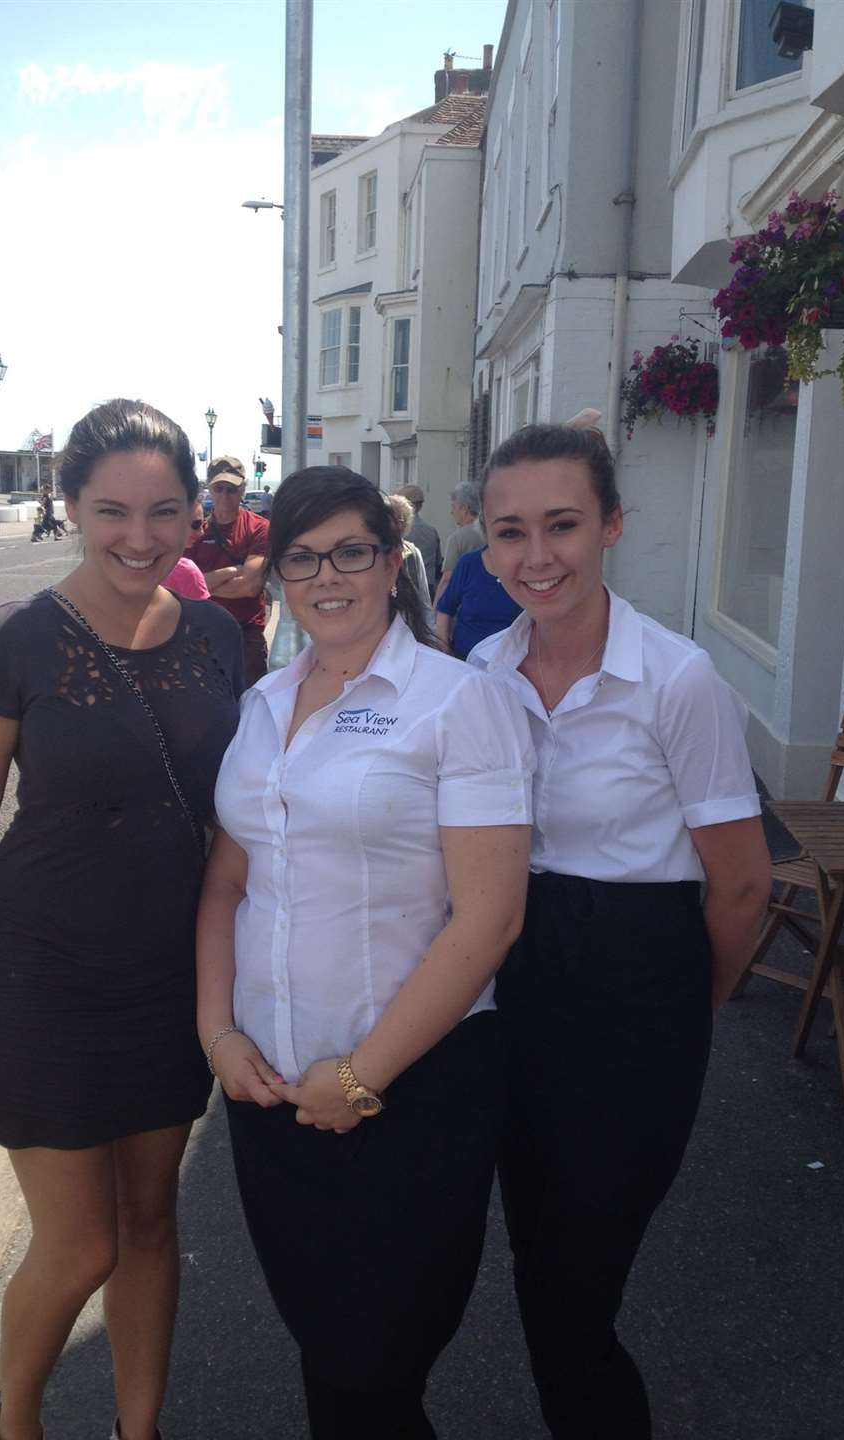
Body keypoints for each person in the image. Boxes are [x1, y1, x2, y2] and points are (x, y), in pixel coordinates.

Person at [0, 399, 243, 1440]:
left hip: (168, 978)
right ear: (69, 506)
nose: (140, 537)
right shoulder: (9, 642)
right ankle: (20, 1421)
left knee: (150, 1223)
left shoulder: (226, 638)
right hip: (37, 977)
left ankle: (139, 1431)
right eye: (112, 511)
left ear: (195, 514)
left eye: (165, 511)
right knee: (82, 1245)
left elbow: (248, 812)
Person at [197, 466, 533, 1440]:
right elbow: (226, 881)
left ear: (391, 562)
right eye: (301, 557)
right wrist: (216, 1033)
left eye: (350, 550)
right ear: (279, 575)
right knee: (327, 1352)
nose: (326, 575)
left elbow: (489, 919)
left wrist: (360, 1078)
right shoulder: (260, 707)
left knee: (375, 1368)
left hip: (409, 1099)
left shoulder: (457, 704)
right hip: (270, 1100)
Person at [469, 423, 771, 1440]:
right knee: (538, 1262)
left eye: (562, 524)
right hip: (518, 992)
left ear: (612, 527)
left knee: (573, 1287)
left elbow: (739, 887)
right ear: (484, 543)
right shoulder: (483, 670)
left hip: (639, 1001)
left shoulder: (677, 681)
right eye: (511, 531)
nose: (537, 555)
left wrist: (684, 1011)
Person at [188, 456, 271, 687]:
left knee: (250, 709)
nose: (225, 495)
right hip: (202, 636)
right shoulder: (196, 530)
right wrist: (235, 570)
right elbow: (184, 588)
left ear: (242, 489)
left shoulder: (259, 528)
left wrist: (203, 582)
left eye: (231, 489)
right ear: (210, 489)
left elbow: (250, 586)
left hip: (245, 637)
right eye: (219, 488)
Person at [434, 538, 521, 660]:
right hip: (464, 662)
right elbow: (445, 608)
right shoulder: (468, 563)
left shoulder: (523, 566)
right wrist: (444, 649)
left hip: (509, 663)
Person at [385, 492, 434, 631]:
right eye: (390, 520)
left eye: (400, 520)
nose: (395, 525)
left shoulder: (412, 552)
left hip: (409, 626)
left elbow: (423, 599)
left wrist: (430, 633)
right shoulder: (375, 552)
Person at [434, 481, 484, 605]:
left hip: (464, 605)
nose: (451, 512)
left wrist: (434, 608)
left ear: (465, 508)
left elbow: (447, 579)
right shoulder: (491, 533)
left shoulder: (457, 538)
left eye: (454, 506)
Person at [396, 483, 442, 597]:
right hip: (428, 589)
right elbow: (438, 564)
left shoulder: (398, 532)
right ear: (420, 505)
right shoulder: (432, 531)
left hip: (405, 589)